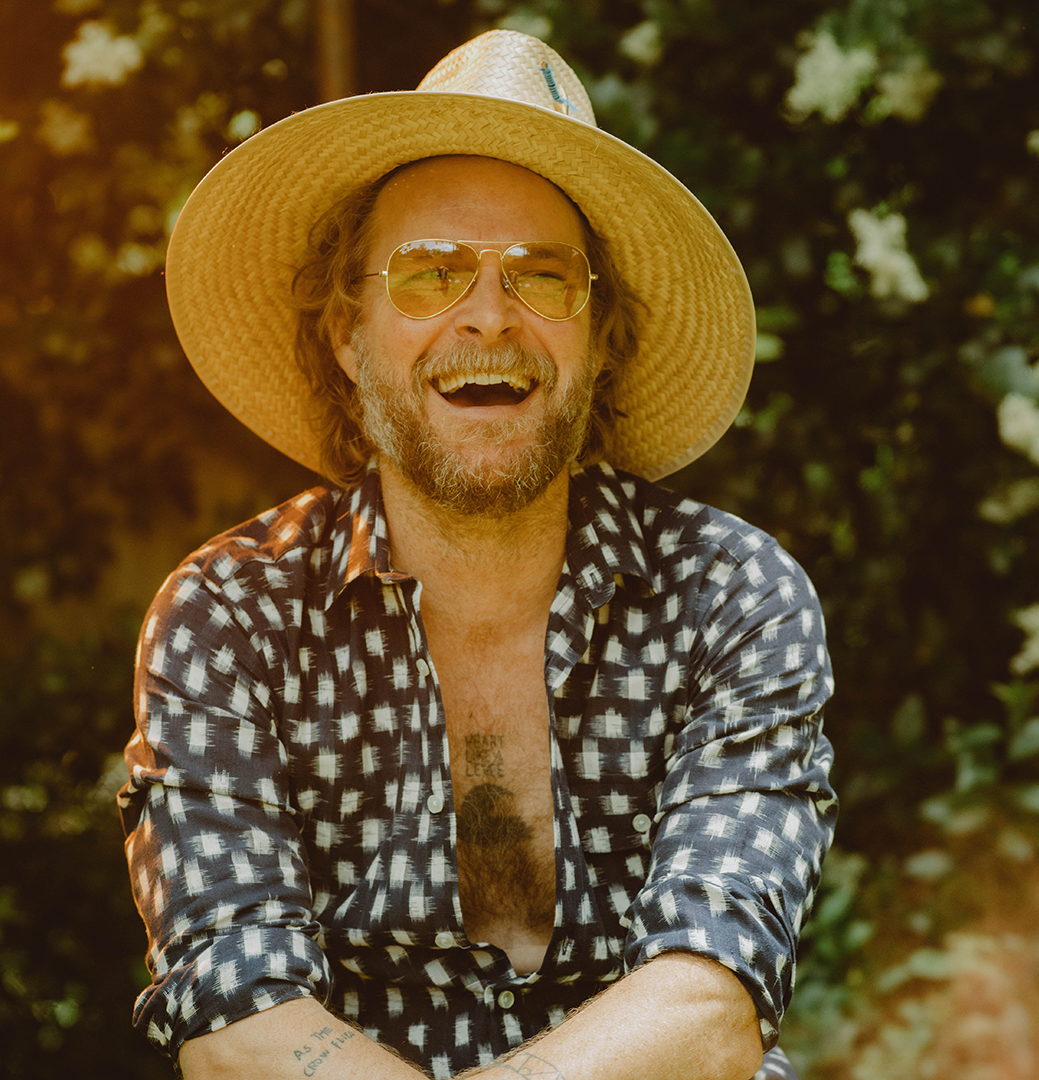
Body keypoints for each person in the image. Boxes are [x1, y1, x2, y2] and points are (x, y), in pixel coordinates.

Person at [119, 29, 836, 1080]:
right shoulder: (230, 615)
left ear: (601, 337)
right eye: (429, 274)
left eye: (543, 277)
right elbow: (237, 1024)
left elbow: (709, 1002)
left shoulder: (733, 597)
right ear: (345, 330)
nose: (488, 317)